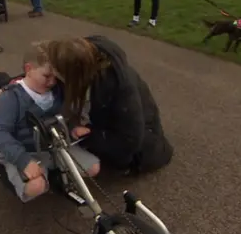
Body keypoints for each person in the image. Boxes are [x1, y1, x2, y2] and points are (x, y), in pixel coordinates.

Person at [41, 36, 173, 175]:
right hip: (112, 129)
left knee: (91, 164)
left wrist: (90, 136)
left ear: (74, 74)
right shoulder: (84, 56)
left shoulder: (120, 89)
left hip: (140, 151)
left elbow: (130, 140)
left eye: (57, 73)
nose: (53, 77)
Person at [0, 42, 100, 202]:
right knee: (36, 187)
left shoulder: (57, 90)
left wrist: (74, 127)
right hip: (27, 151)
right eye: (46, 76)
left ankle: (55, 176)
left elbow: (68, 112)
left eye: (55, 76)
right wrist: (23, 161)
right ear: (28, 69)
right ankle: (45, 178)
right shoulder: (11, 98)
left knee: (93, 168)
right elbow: (0, 133)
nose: (52, 82)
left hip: (56, 146)